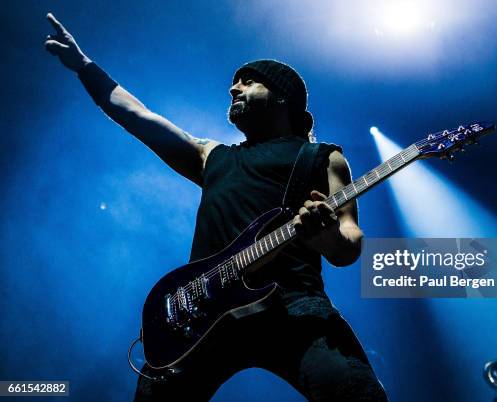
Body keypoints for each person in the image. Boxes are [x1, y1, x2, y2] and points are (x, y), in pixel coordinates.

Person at [44, 12, 387, 402]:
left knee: (358, 395)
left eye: (248, 80)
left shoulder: (323, 157)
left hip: (293, 304)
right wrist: (84, 67)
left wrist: (326, 237)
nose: (233, 88)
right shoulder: (211, 156)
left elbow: (349, 241)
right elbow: (137, 116)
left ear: (281, 96)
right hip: (202, 310)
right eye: (234, 82)